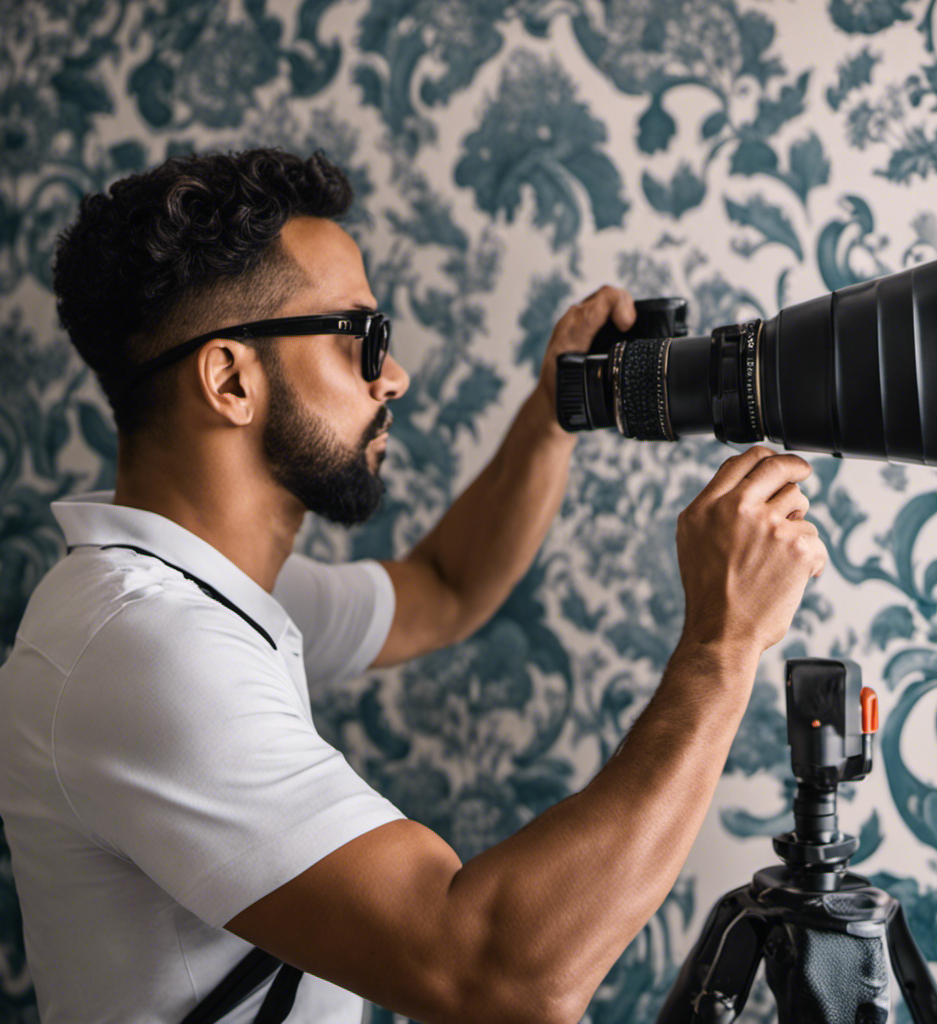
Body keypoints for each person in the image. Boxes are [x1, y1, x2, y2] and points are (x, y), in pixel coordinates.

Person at [0, 148, 827, 1024]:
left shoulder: (205, 593)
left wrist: (555, 411)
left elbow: (446, 586)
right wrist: (722, 647)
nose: (393, 377)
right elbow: (496, 979)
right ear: (231, 380)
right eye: (363, 338)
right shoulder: (146, 645)